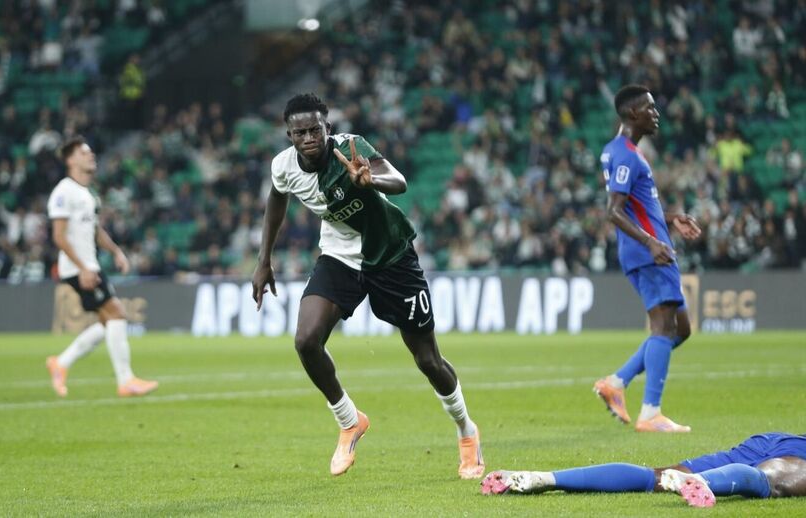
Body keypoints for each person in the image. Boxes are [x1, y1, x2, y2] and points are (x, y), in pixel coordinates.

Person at [252, 93, 484, 478]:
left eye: (315, 129)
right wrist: (264, 260)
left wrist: (370, 177)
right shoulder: (283, 166)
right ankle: (349, 420)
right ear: (289, 135)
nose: (308, 137)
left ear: (328, 127)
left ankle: (466, 431)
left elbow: (399, 181)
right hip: (340, 254)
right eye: (299, 132)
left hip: (390, 254)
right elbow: (277, 199)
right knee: (306, 340)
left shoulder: (352, 147)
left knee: (428, 361)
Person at [593, 85, 702, 433]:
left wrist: (671, 219)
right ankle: (650, 413)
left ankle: (617, 382)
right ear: (632, 114)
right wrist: (653, 241)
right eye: (650, 108)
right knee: (662, 327)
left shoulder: (622, 152)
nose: (656, 114)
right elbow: (614, 211)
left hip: (648, 247)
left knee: (679, 329)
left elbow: (642, 207)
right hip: (649, 253)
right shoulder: (625, 155)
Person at [44, 136, 157, 398]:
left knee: (110, 322)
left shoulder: (87, 195)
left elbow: (95, 231)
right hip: (77, 268)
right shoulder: (64, 192)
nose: (91, 156)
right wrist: (83, 267)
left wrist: (116, 251)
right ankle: (125, 380)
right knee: (116, 314)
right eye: (85, 153)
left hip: (90, 266)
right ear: (71, 160)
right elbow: (59, 236)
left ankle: (60, 363)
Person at [480, 432, 806, 508]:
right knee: (773, 480)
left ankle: (548, 477)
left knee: (656, 477)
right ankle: (701, 482)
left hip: (768, 439)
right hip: (796, 450)